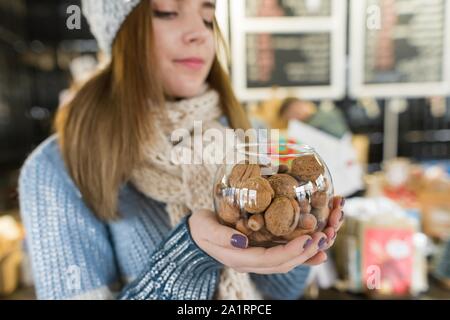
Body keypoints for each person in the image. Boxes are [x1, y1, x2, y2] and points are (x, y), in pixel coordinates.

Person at [18, 0, 345, 300]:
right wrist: (189, 255)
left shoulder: (248, 137)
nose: (200, 35)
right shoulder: (57, 168)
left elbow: (279, 294)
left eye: (206, 16)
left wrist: (301, 234)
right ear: (119, 33)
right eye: (168, 12)